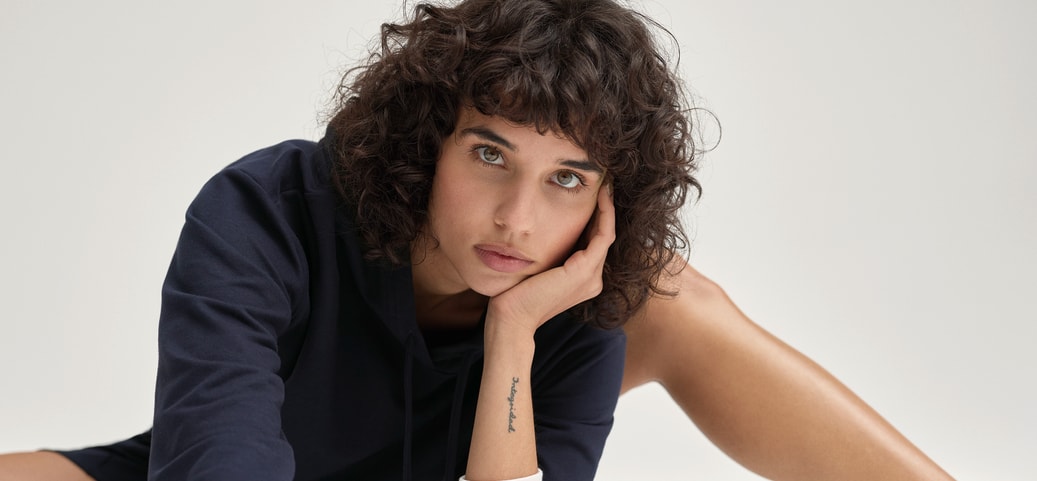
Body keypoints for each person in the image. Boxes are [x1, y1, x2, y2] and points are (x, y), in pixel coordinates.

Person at [0, 1, 959, 481]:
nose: (517, 221)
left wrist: (514, 336)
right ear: (430, 138)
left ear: (606, 201)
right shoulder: (267, 209)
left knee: (675, 297)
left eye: (567, 180)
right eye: (490, 155)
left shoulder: (585, 301)